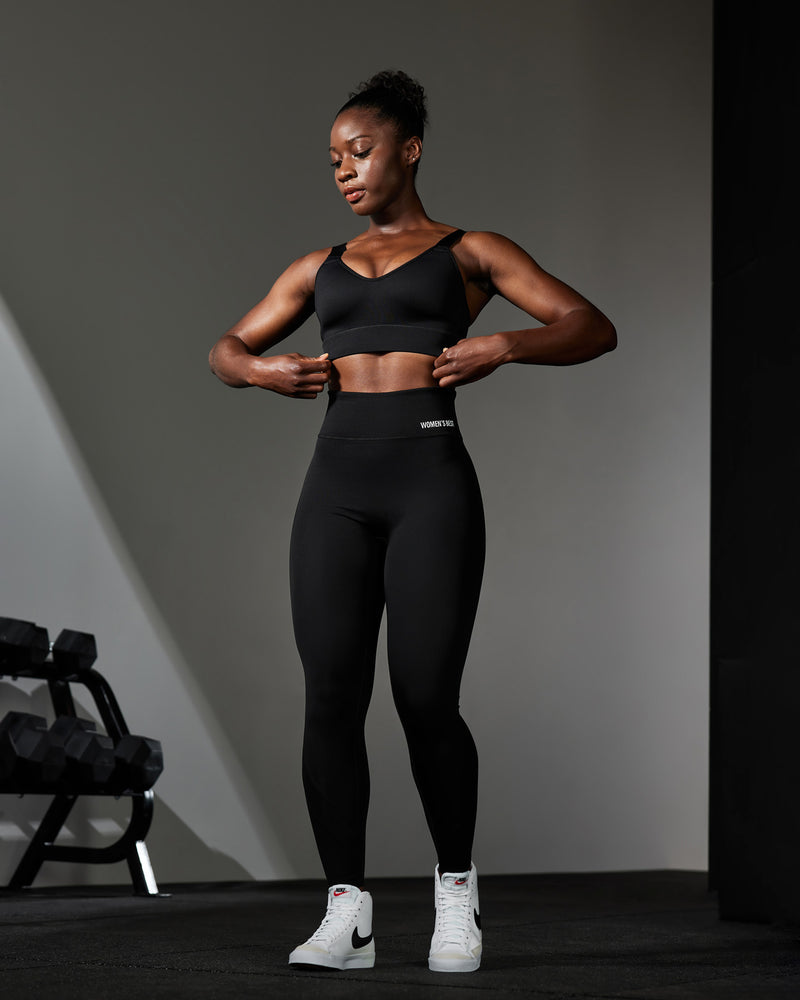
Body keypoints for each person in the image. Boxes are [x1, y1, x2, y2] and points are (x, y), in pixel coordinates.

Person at [209, 69, 616, 974]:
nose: (345, 171)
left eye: (359, 151)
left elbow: (591, 325)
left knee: (425, 698)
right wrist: (262, 372)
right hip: (336, 491)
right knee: (330, 699)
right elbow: (226, 347)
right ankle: (346, 915)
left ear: (409, 149)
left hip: (430, 483)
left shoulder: (472, 252)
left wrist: (506, 343)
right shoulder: (316, 268)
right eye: (333, 161)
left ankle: (456, 900)